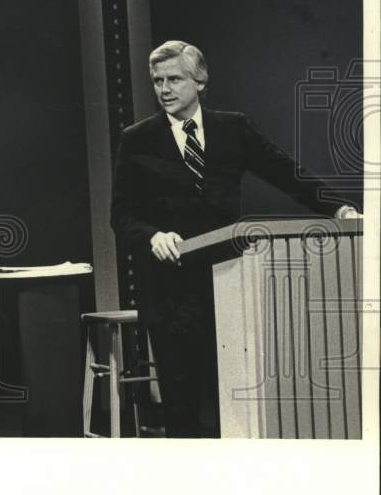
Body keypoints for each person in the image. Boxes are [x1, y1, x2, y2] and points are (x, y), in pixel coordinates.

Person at [110, 40, 359, 437]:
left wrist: (339, 209)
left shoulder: (233, 128)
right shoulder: (137, 138)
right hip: (170, 290)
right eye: (157, 81)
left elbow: (285, 172)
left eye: (174, 79)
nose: (164, 89)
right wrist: (152, 235)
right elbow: (121, 215)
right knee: (183, 410)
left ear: (200, 80)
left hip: (228, 285)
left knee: (235, 405)